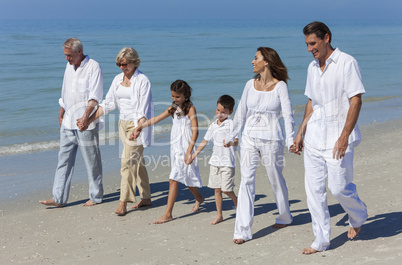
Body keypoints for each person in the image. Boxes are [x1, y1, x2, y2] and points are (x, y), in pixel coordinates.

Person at [290, 21, 368, 254]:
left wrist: (344, 137)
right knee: (313, 191)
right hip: (314, 136)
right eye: (306, 44)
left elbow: (356, 100)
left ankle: (358, 214)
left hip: (337, 136)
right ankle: (321, 240)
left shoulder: (347, 62)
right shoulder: (312, 68)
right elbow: (312, 102)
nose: (309, 48)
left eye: (313, 43)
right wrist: (300, 132)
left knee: (339, 187)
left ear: (327, 38)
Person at [225, 47, 295, 244]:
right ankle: (242, 230)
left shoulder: (280, 86)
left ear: (266, 62)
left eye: (256, 58)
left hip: (272, 139)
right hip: (249, 138)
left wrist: (290, 140)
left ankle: (284, 215)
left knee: (275, 178)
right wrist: (233, 135)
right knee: (246, 180)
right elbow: (241, 112)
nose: (252, 62)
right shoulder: (250, 84)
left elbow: (288, 116)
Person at [81, 47, 154, 216]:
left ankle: (123, 202)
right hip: (123, 124)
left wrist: (138, 129)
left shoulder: (143, 80)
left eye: (125, 64)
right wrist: (88, 119)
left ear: (134, 62)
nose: (122, 67)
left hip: (137, 125)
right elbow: (108, 104)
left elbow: (143, 109)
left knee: (127, 163)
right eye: (118, 64)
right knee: (136, 160)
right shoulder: (117, 80)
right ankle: (146, 197)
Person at [39, 37, 103, 207]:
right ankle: (58, 198)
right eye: (65, 55)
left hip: (85, 123)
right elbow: (65, 92)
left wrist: (85, 118)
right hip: (67, 123)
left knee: (92, 161)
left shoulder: (93, 67)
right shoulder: (68, 67)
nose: (66, 58)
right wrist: (61, 114)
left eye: (69, 55)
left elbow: (94, 97)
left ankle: (96, 196)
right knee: (64, 161)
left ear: (79, 52)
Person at [130, 80, 204, 224]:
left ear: (186, 95)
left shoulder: (191, 109)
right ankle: (199, 198)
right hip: (175, 146)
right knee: (184, 177)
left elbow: (195, 132)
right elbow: (156, 119)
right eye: (172, 96)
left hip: (186, 146)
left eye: (177, 97)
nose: (174, 99)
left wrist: (189, 151)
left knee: (174, 178)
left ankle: (168, 214)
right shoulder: (172, 108)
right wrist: (141, 127)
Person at [191, 95, 238, 225]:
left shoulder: (232, 124)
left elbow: (236, 141)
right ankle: (219, 215)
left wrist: (230, 144)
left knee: (226, 190)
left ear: (230, 112)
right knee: (216, 189)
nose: (219, 114)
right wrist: (194, 154)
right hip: (215, 162)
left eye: (223, 112)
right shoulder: (213, 125)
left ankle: (238, 204)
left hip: (228, 162)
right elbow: (205, 140)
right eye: (218, 110)